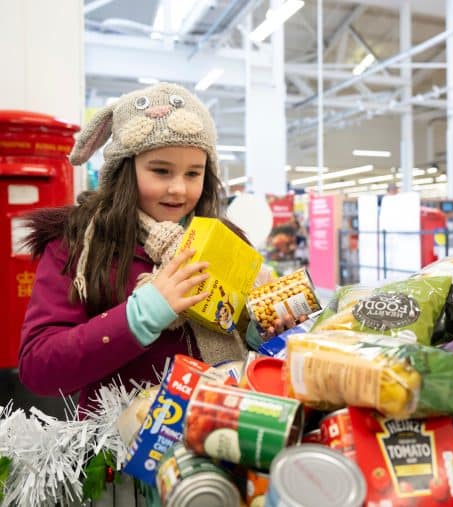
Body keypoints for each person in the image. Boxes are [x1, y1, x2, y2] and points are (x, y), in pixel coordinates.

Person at [18, 82, 291, 415]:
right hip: (117, 451)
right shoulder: (79, 243)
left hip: (222, 436)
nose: (178, 189)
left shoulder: (225, 239)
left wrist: (265, 330)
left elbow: (254, 349)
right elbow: (38, 368)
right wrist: (142, 314)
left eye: (194, 173)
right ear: (124, 169)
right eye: (160, 171)